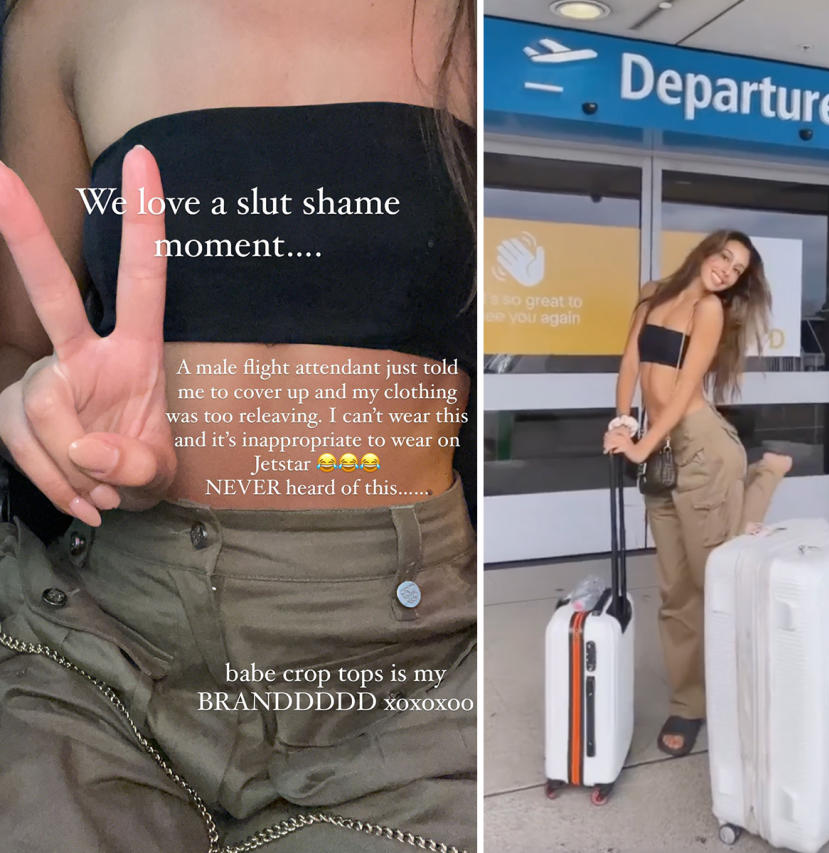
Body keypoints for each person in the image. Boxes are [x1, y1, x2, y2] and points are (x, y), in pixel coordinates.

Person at [0, 2, 476, 851]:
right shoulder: (63, 19)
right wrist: (54, 431)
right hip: (106, 634)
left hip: (412, 671)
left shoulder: (478, 26)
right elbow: (17, 342)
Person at [603, 230, 792, 759]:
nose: (728, 270)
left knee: (720, 580)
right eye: (725, 257)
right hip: (660, 451)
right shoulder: (654, 293)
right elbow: (629, 365)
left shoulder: (709, 310)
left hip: (701, 449)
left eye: (738, 269)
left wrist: (641, 447)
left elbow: (685, 389)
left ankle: (763, 478)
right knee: (675, 592)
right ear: (706, 252)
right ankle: (689, 705)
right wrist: (623, 423)